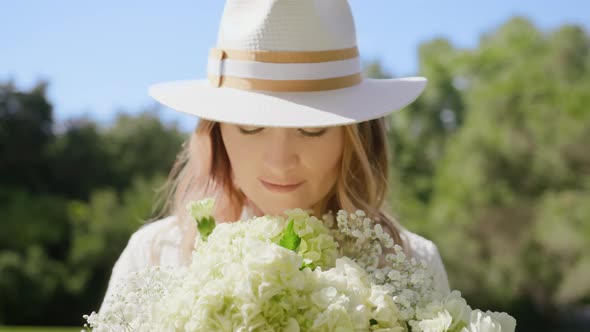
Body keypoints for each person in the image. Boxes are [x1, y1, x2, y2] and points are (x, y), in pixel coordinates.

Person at [99, 0, 450, 313]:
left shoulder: (411, 264)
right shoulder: (155, 255)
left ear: (353, 137)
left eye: (312, 129)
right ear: (217, 132)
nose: (280, 161)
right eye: (250, 128)